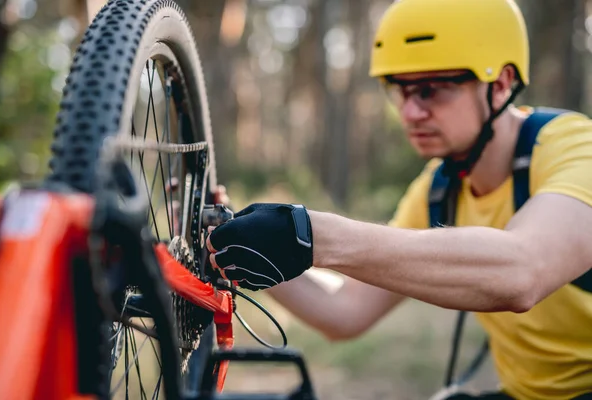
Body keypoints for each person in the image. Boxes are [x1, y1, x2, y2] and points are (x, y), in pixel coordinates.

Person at [204, 0, 592, 399]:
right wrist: (242, 247)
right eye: (399, 90)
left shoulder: (576, 149)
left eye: (431, 90)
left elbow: (522, 272)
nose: (410, 112)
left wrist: (315, 233)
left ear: (501, 83)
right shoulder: (440, 188)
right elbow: (345, 312)